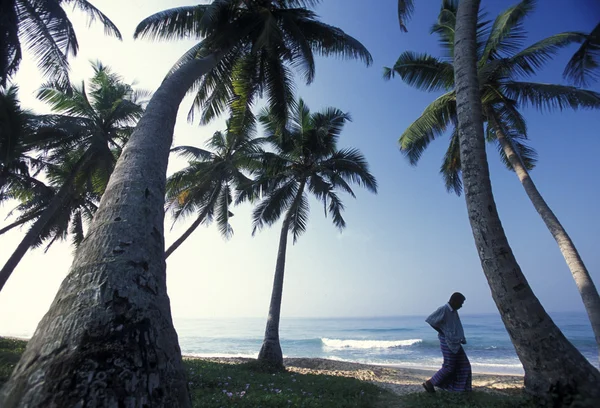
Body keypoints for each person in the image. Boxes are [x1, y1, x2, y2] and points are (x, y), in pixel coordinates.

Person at [422, 292, 472, 393]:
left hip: (455, 342)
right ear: (454, 301)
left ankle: (461, 389)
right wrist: (443, 332)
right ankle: (430, 383)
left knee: (464, 365)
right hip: (447, 342)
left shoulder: (453, 311)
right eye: (460, 303)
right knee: (449, 367)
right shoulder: (444, 309)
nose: (461, 306)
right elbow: (431, 320)